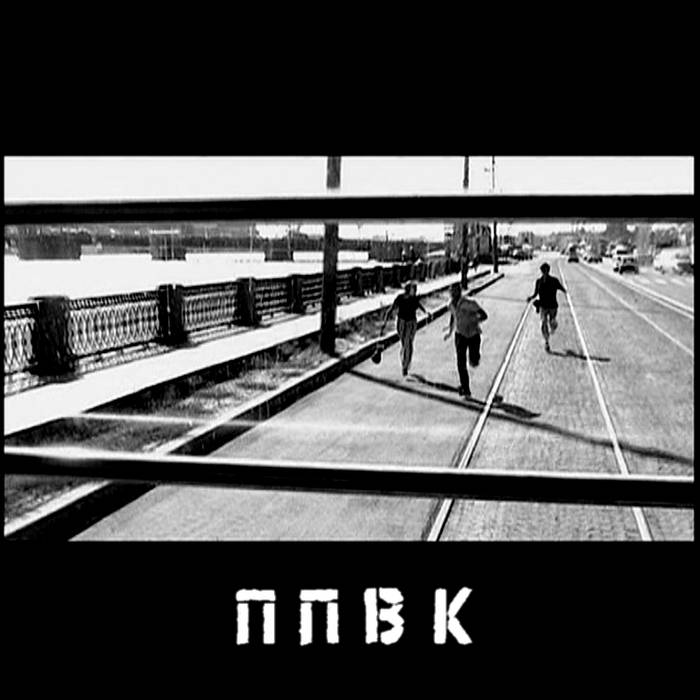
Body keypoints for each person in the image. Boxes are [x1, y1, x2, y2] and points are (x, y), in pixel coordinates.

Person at [444, 283, 488, 398]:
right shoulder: (450, 305)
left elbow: (484, 315)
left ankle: (475, 357)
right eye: (451, 292)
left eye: (455, 292)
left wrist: (474, 320)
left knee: (473, 361)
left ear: (459, 292)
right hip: (460, 335)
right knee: (461, 362)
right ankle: (465, 388)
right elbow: (453, 316)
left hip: (473, 335)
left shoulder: (469, 303)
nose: (453, 294)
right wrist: (450, 331)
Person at [380, 281, 429, 377]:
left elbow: (420, 306)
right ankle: (405, 361)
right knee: (405, 344)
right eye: (413, 289)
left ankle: (405, 365)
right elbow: (391, 309)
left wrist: (426, 312)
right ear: (408, 289)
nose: (415, 291)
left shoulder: (414, 299)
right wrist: (384, 323)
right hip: (401, 322)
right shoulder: (400, 298)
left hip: (411, 323)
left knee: (408, 343)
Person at [526, 262, 567, 352]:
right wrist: (531, 298)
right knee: (543, 324)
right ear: (541, 271)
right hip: (543, 306)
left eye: (546, 271)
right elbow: (535, 293)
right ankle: (546, 342)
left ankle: (553, 326)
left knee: (552, 323)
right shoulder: (539, 282)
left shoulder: (554, 280)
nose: (545, 272)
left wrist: (565, 291)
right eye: (543, 271)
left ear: (548, 271)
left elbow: (561, 288)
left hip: (553, 306)